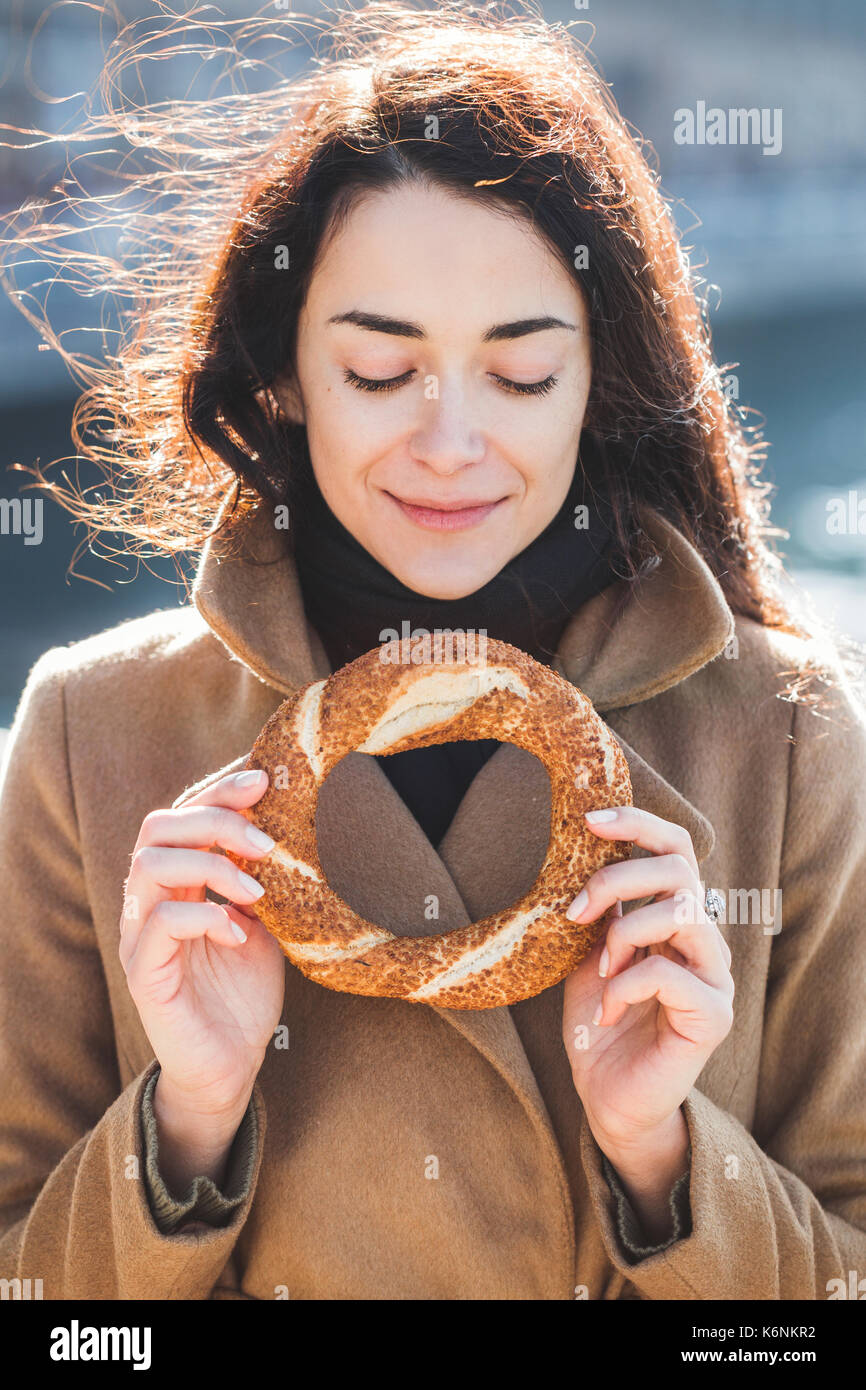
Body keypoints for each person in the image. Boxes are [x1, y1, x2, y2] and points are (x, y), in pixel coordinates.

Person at [0, 1, 864, 1301]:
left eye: (519, 375)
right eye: (375, 369)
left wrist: (666, 1157)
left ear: (597, 382)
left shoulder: (793, 738)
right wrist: (189, 1114)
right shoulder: (90, 737)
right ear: (285, 372)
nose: (450, 440)